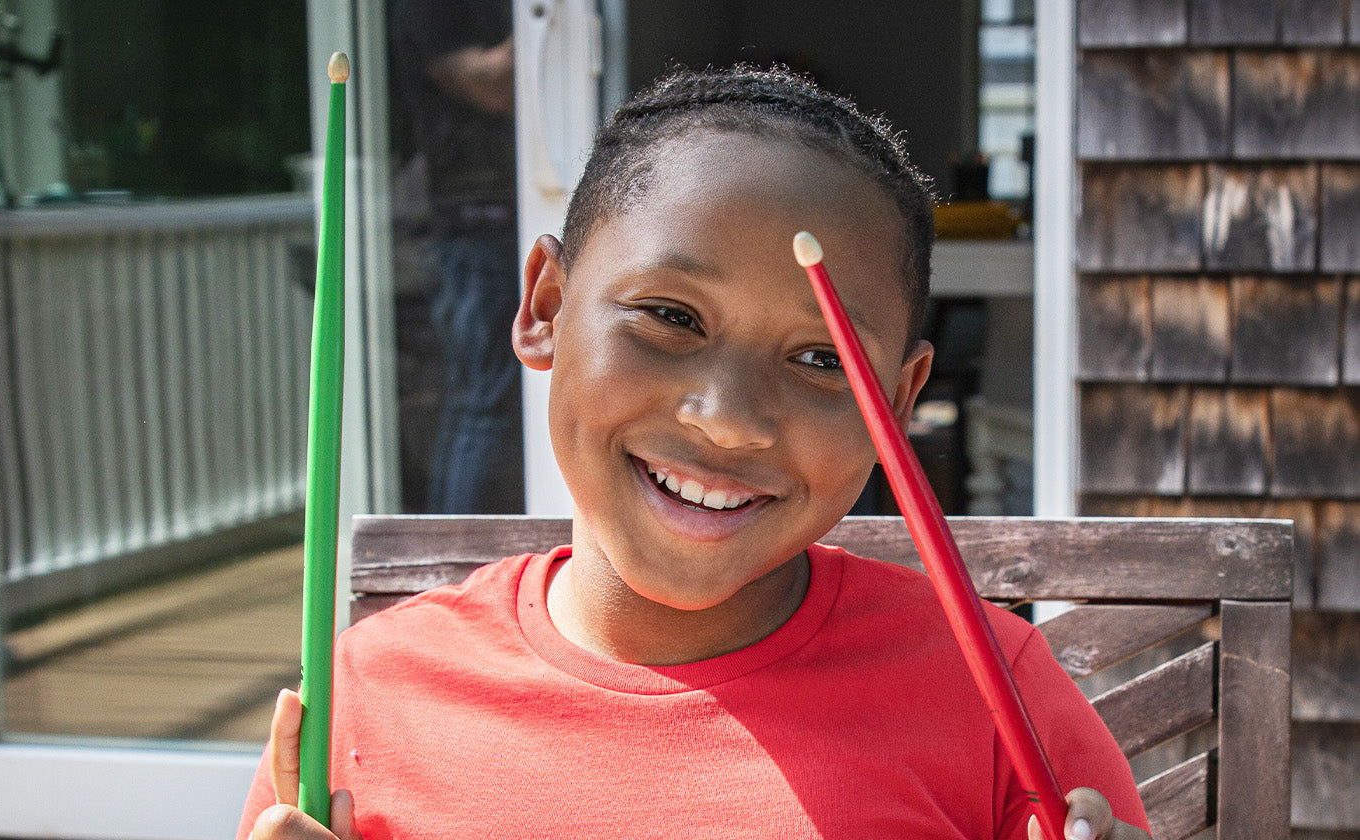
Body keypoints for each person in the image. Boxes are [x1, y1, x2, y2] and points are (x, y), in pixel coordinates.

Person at [238, 66, 1152, 840]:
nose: (729, 420)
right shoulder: (372, 698)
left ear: (898, 402)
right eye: (671, 316)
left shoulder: (996, 700)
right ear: (547, 306)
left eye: (821, 359)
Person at [391, 0, 524, 513]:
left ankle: (454, 543)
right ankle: (451, 551)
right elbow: (494, 84)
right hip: (471, 226)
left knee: (484, 402)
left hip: (500, 221)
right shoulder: (428, 10)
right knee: (484, 405)